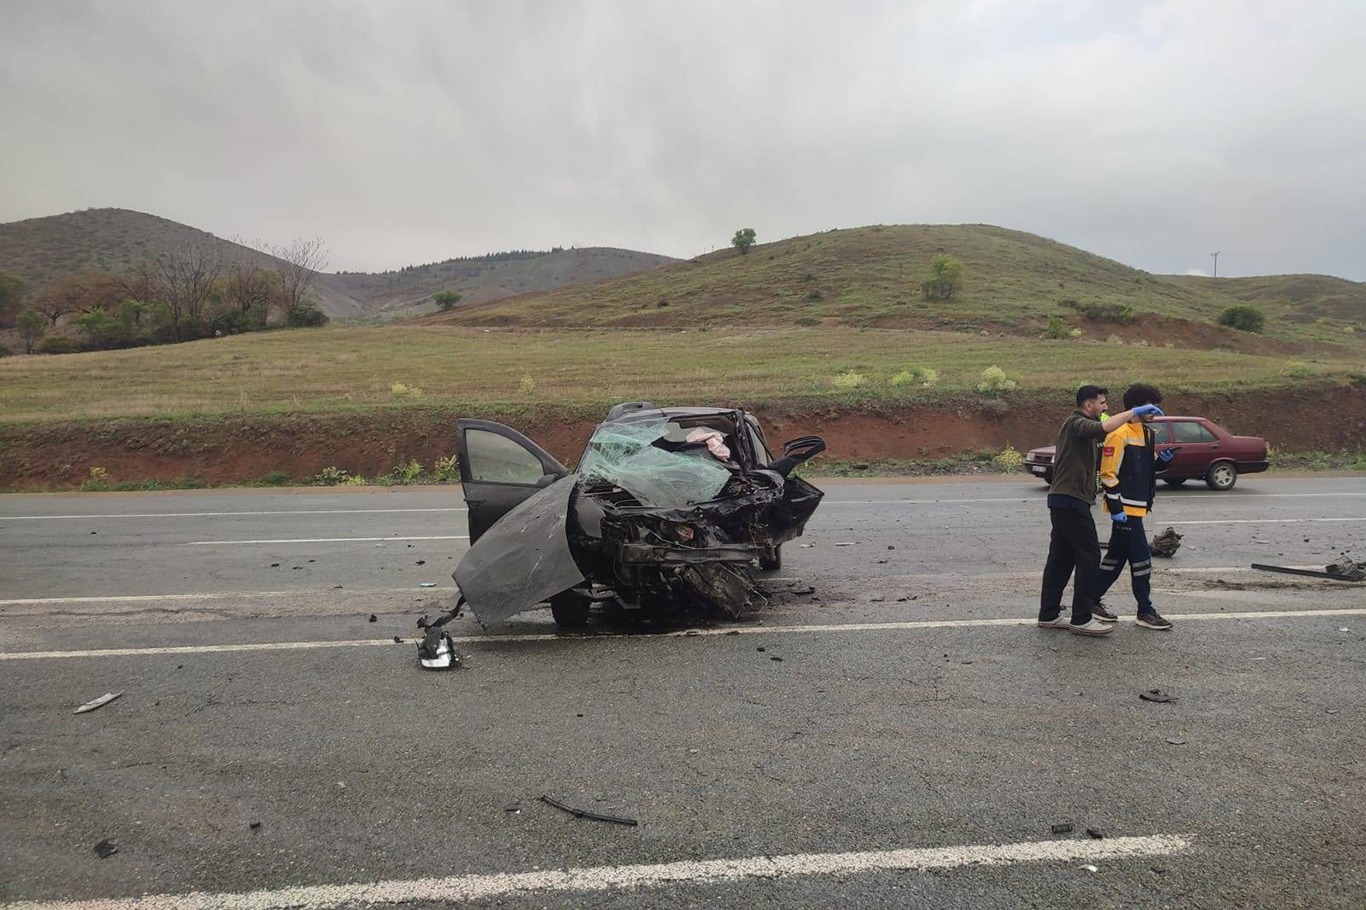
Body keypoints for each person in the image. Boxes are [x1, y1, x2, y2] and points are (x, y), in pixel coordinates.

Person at [1039, 385, 1164, 636]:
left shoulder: (1092, 429)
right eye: (1102, 403)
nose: (1106, 407)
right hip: (1070, 500)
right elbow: (1103, 429)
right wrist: (1133, 412)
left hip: (1069, 500)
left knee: (1061, 558)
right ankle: (1082, 618)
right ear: (1088, 405)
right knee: (1089, 556)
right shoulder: (1075, 423)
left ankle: (1049, 614)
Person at [1095, 383, 1178, 630]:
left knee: (1116, 558)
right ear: (1136, 407)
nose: (1156, 411)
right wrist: (1116, 509)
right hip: (1126, 510)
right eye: (1151, 406)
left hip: (1138, 507)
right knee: (1141, 559)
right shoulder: (1118, 434)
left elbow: (1147, 468)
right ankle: (1145, 611)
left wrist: (1162, 463)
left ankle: (1090, 599)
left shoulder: (1147, 434)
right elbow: (1108, 474)